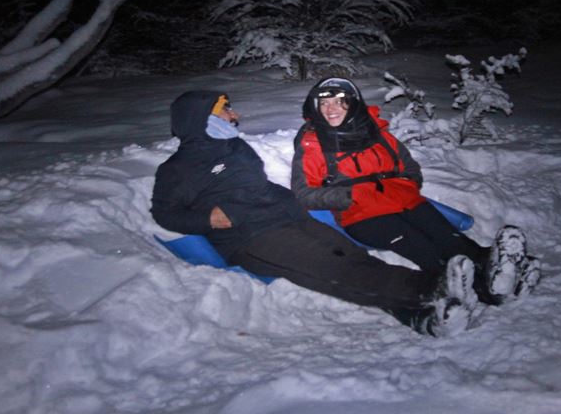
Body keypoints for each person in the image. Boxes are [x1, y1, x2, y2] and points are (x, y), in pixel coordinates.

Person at [151, 90, 476, 337]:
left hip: (289, 218)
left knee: (354, 258)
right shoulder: (178, 170)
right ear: (202, 119)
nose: (235, 115)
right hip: (251, 237)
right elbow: (165, 214)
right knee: (332, 268)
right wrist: (206, 220)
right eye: (226, 110)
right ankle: (430, 288)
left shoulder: (236, 148)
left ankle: (422, 318)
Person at [292, 76, 539, 307]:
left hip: (404, 200)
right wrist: (349, 196)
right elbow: (304, 193)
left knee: (450, 238)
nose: (330, 109)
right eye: (324, 103)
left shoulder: (376, 133)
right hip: (363, 214)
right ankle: (483, 291)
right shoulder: (312, 145)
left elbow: (408, 165)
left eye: (339, 102)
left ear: (353, 105)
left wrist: (407, 184)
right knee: (422, 247)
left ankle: (503, 269)